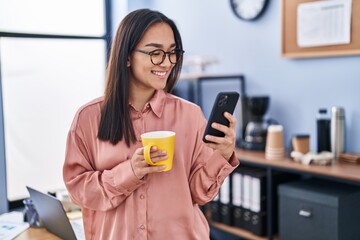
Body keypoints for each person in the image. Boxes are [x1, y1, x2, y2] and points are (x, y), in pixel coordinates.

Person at [63, 8, 239, 239]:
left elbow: (199, 193)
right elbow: (78, 192)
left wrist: (222, 156)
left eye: (172, 52)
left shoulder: (190, 115)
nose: (166, 63)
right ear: (127, 56)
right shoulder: (89, 118)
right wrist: (130, 171)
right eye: (156, 52)